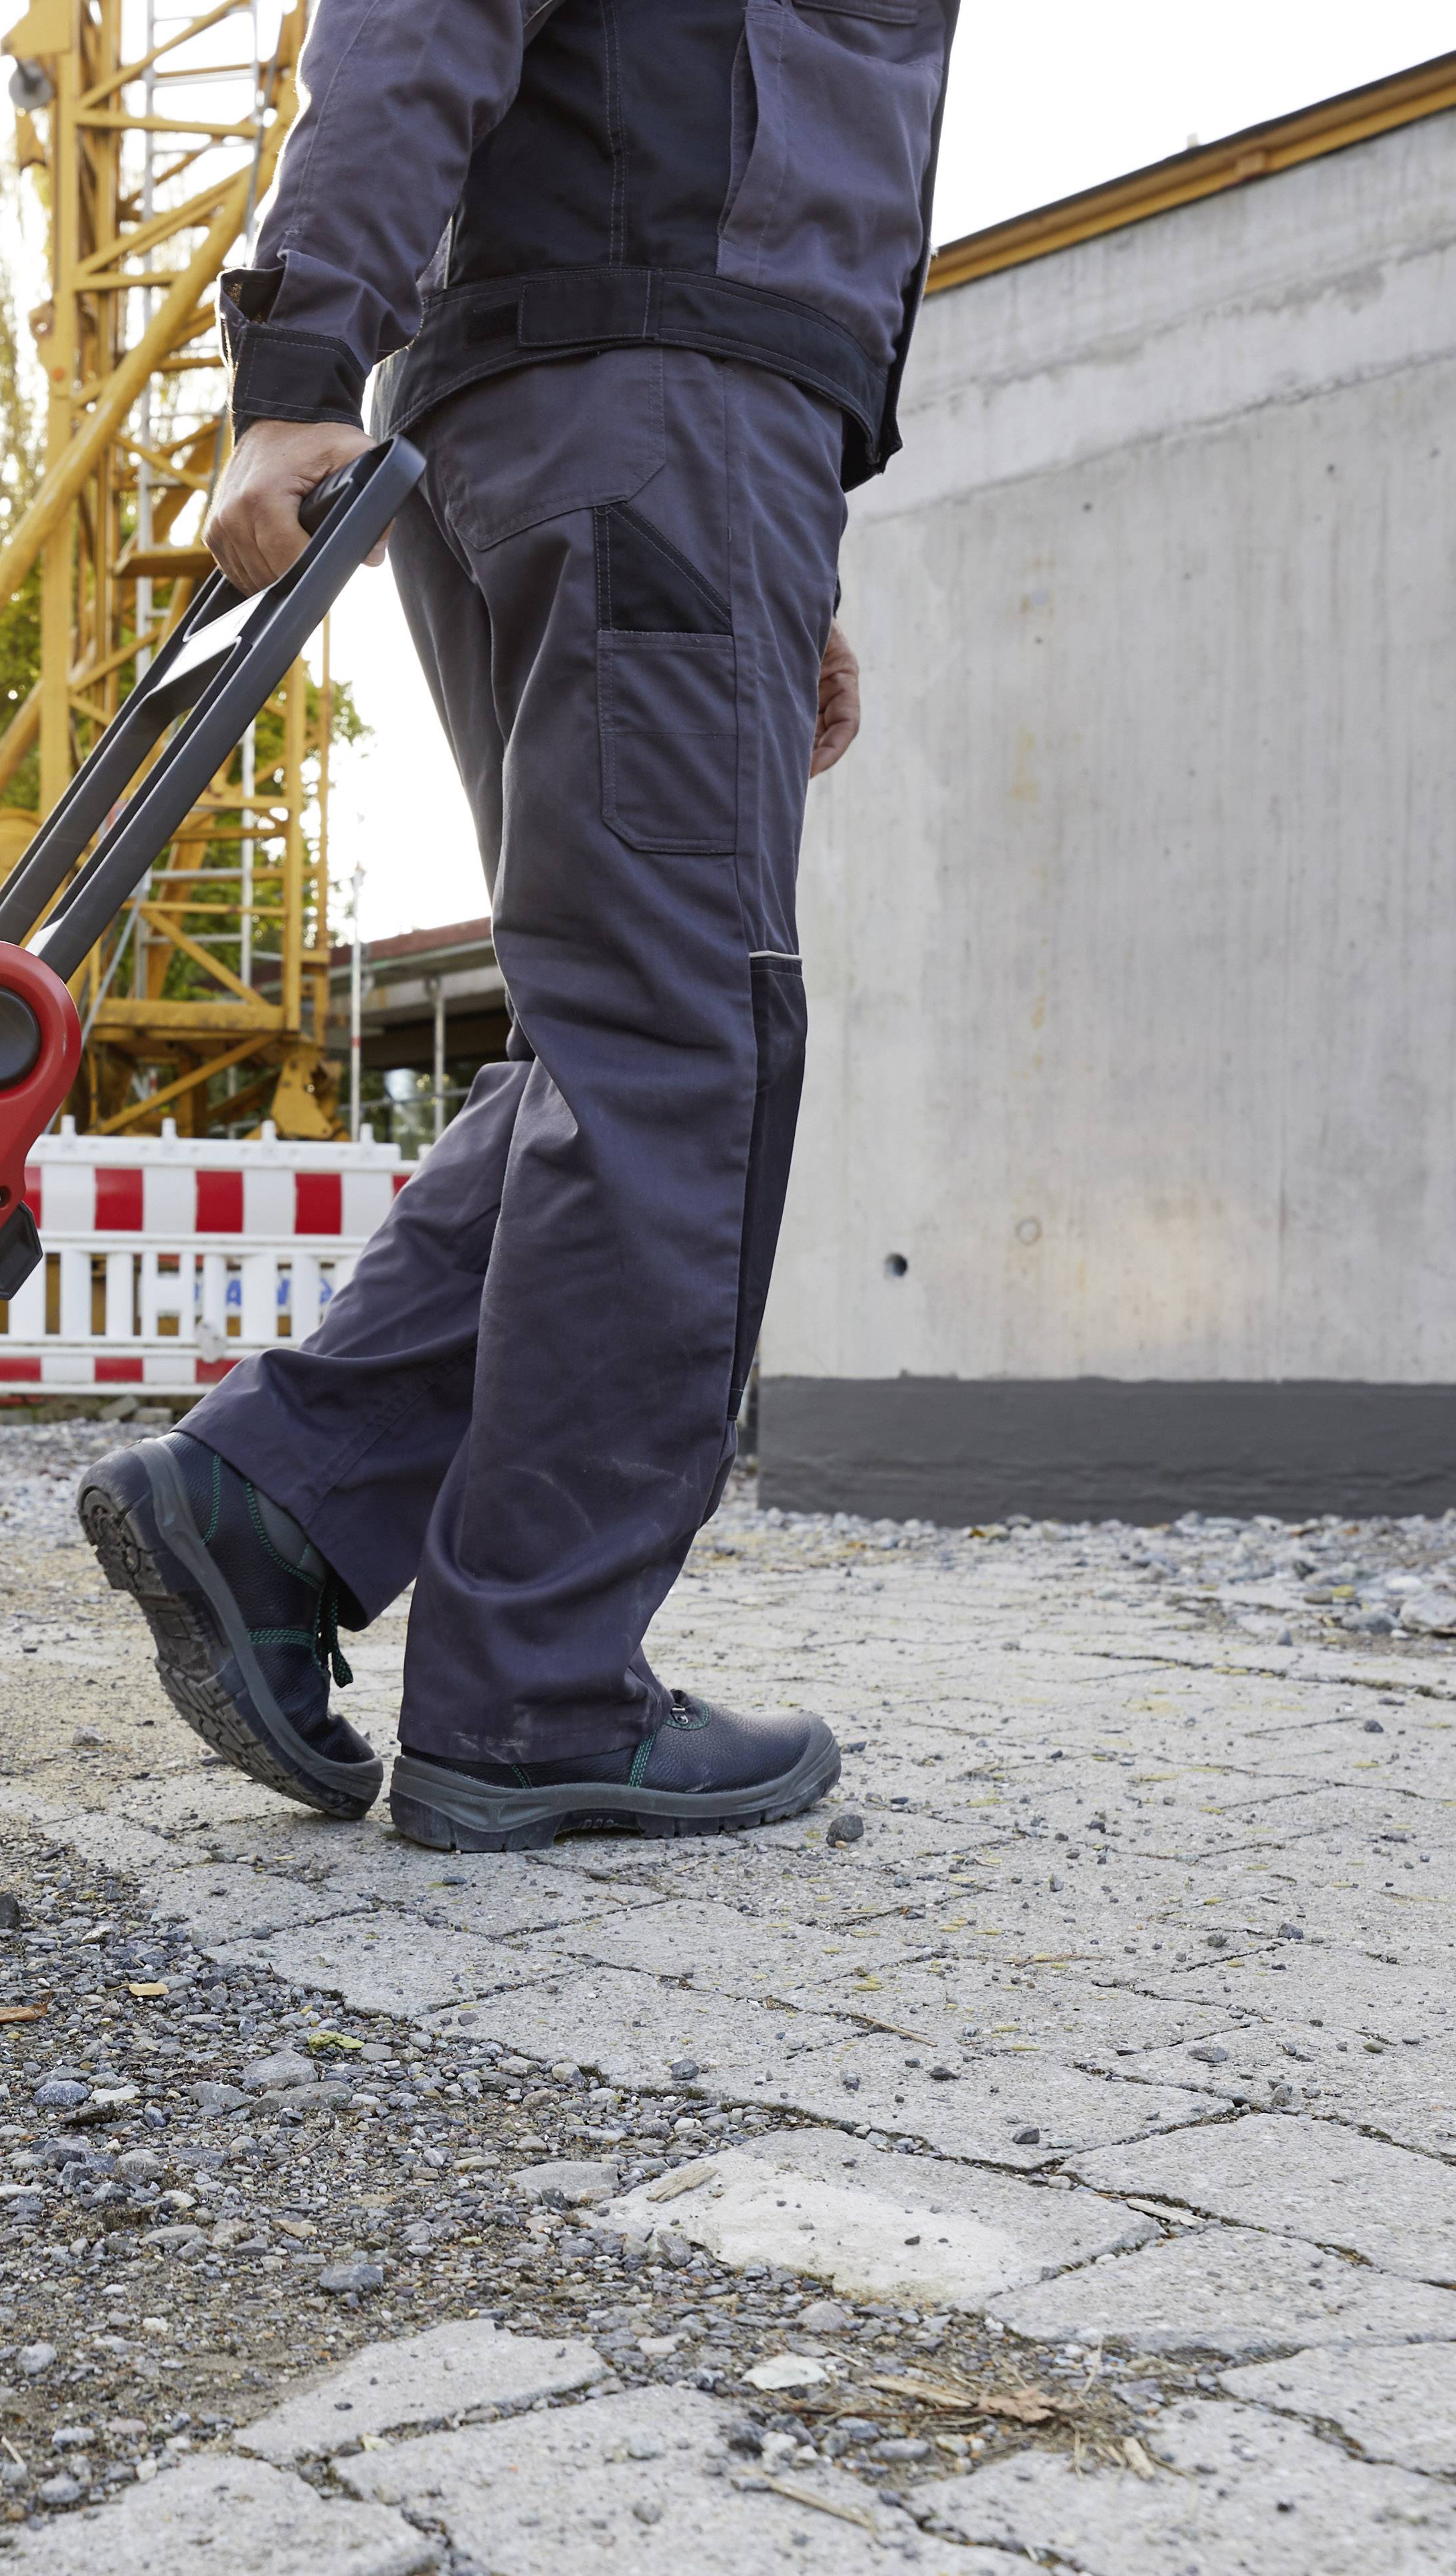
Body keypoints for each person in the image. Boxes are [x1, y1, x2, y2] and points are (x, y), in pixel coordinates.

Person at [77, 0, 959, 1853]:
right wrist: (302, 356)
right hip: (653, 403)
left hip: (645, 409)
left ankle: (273, 1510)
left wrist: (790, 553)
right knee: (679, 1044)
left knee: (608, 1030)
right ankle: (539, 1695)